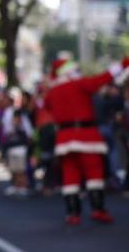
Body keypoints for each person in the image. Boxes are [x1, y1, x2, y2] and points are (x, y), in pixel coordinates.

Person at [43, 56, 129, 225]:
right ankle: (98, 209)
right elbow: (103, 79)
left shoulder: (52, 92)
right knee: (94, 172)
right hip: (86, 135)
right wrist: (123, 64)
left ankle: (72, 213)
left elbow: (47, 106)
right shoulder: (79, 83)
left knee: (70, 174)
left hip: (64, 137)